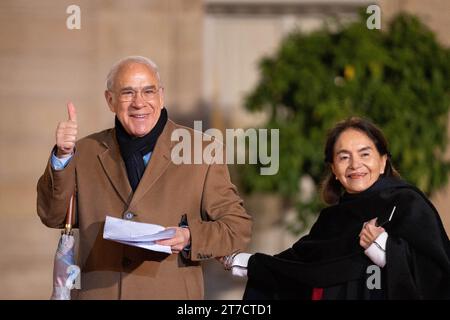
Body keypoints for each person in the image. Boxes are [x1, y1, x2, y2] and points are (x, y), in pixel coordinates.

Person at [37, 56, 252, 299]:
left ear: (161, 96)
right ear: (110, 100)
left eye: (148, 91)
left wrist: (190, 237)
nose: (139, 103)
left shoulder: (201, 151)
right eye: (128, 93)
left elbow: (237, 228)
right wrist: (62, 156)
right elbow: (51, 215)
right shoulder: (84, 151)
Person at [225, 117, 450, 299]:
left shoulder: (408, 205)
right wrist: (245, 262)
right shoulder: (331, 220)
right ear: (334, 168)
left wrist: (386, 248)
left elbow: (437, 274)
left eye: (365, 154)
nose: (355, 165)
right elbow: (301, 268)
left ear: (383, 162)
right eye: (344, 157)